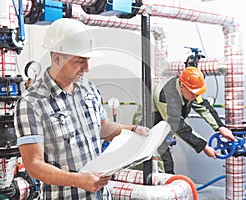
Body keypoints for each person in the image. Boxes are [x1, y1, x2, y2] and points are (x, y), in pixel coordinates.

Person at [14, 18, 150, 200]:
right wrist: (78, 180)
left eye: (88, 60)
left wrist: (133, 131)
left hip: (101, 195)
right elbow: (34, 164)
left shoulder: (89, 89)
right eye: (80, 61)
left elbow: (102, 127)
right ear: (57, 58)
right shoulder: (31, 103)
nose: (87, 68)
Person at [132, 67, 235, 174]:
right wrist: (203, 146)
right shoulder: (166, 95)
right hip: (146, 129)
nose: (196, 97)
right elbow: (178, 126)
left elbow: (204, 107)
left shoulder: (190, 91)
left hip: (162, 125)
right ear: (182, 87)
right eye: (194, 94)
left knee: (166, 164)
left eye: (197, 93)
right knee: (160, 165)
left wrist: (220, 127)